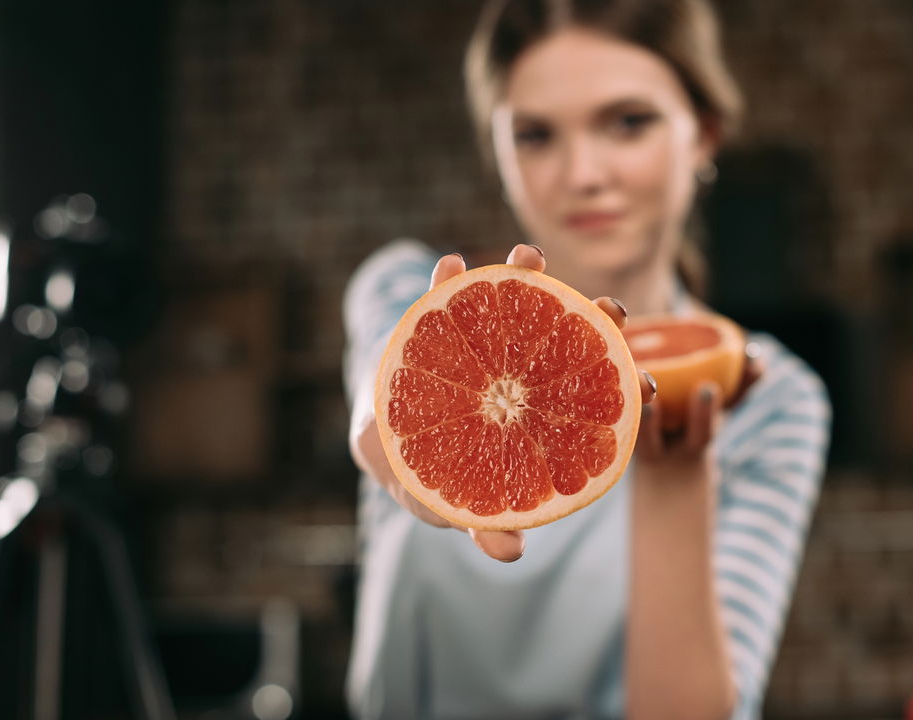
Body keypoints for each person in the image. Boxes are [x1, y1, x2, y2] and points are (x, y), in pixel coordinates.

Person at [341, 1, 829, 718]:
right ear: (497, 152)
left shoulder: (767, 398)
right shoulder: (410, 292)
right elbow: (377, 401)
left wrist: (672, 486)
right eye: (536, 135)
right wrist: (395, 444)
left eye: (628, 122)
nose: (583, 173)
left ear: (704, 135)